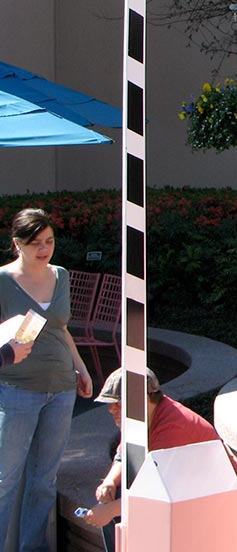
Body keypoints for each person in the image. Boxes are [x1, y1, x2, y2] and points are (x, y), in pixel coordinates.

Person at [82, 368, 237, 549]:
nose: (111, 409)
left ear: (142, 399)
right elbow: (123, 455)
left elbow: (153, 493)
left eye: (118, 403)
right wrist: (109, 482)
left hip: (233, 508)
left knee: (132, 513)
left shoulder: (173, 427)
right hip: (194, 497)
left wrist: (110, 511)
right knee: (116, 501)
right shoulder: (142, 417)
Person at [0, 208, 93, 552]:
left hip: (61, 387)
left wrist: (81, 368)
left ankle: (33, 548)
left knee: (44, 480)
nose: (44, 249)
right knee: (5, 479)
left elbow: (61, 328)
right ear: (17, 244)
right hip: (16, 389)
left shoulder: (61, 275)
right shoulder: (3, 280)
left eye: (49, 241)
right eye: (36, 243)